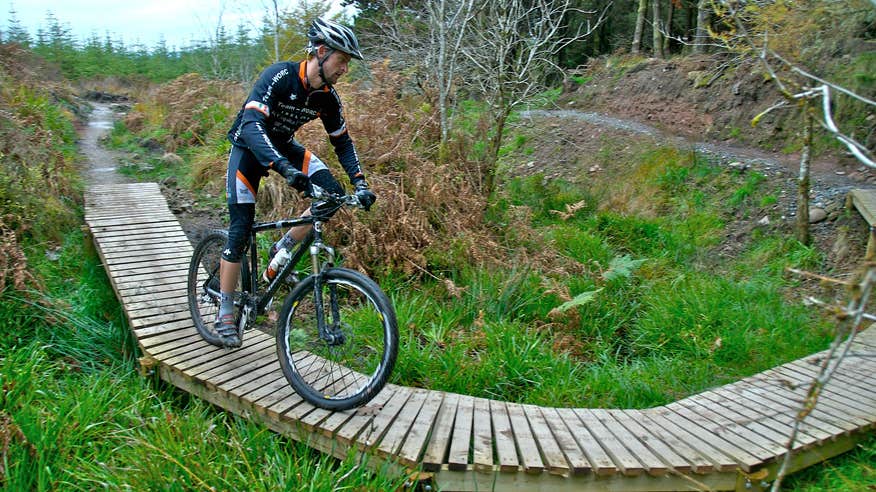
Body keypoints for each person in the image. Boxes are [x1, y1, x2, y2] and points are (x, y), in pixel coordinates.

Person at [216, 17, 377, 347]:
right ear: (321, 52)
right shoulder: (280, 75)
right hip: (248, 148)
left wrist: (360, 183)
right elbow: (250, 124)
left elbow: (342, 142)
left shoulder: (327, 98)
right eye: (342, 60)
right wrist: (284, 169)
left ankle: (283, 247)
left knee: (332, 194)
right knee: (240, 230)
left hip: (282, 145)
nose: (345, 69)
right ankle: (225, 310)